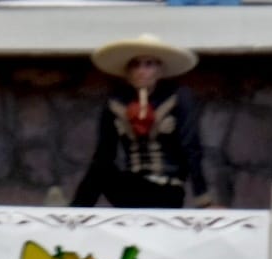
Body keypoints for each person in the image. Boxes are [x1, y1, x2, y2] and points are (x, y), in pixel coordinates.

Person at [71, 33, 216, 209]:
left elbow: (191, 148)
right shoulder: (116, 102)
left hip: (168, 189)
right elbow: (103, 156)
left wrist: (204, 200)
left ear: (160, 70)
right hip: (132, 188)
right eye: (135, 64)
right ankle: (72, 217)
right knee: (100, 169)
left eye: (149, 64)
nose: (142, 71)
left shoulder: (178, 97)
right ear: (128, 72)